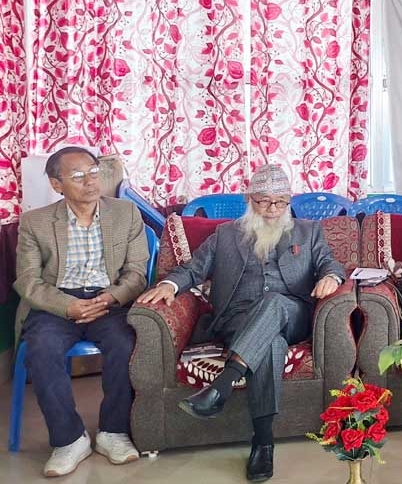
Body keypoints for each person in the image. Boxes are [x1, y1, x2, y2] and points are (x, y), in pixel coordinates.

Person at [139, 164, 346, 482]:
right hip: (237, 319)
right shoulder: (226, 234)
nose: (273, 209)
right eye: (264, 201)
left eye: (280, 202)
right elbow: (194, 269)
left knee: (274, 302)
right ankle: (263, 443)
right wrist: (169, 285)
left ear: (289, 200)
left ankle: (220, 387)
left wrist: (331, 277)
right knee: (271, 344)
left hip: (291, 314)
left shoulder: (308, 231)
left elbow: (330, 263)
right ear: (249, 199)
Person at [14, 146, 148, 477]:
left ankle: (113, 432)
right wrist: (68, 306)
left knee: (126, 344)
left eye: (94, 172)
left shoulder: (126, 212)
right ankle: (69, 440)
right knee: (42, 349)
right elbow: (28, 280)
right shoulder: (35, 222)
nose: (90, 181)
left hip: (109, 301)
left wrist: (111, 298)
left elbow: (136, 273)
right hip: (56, 304)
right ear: (56, 184)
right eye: (77, 176)